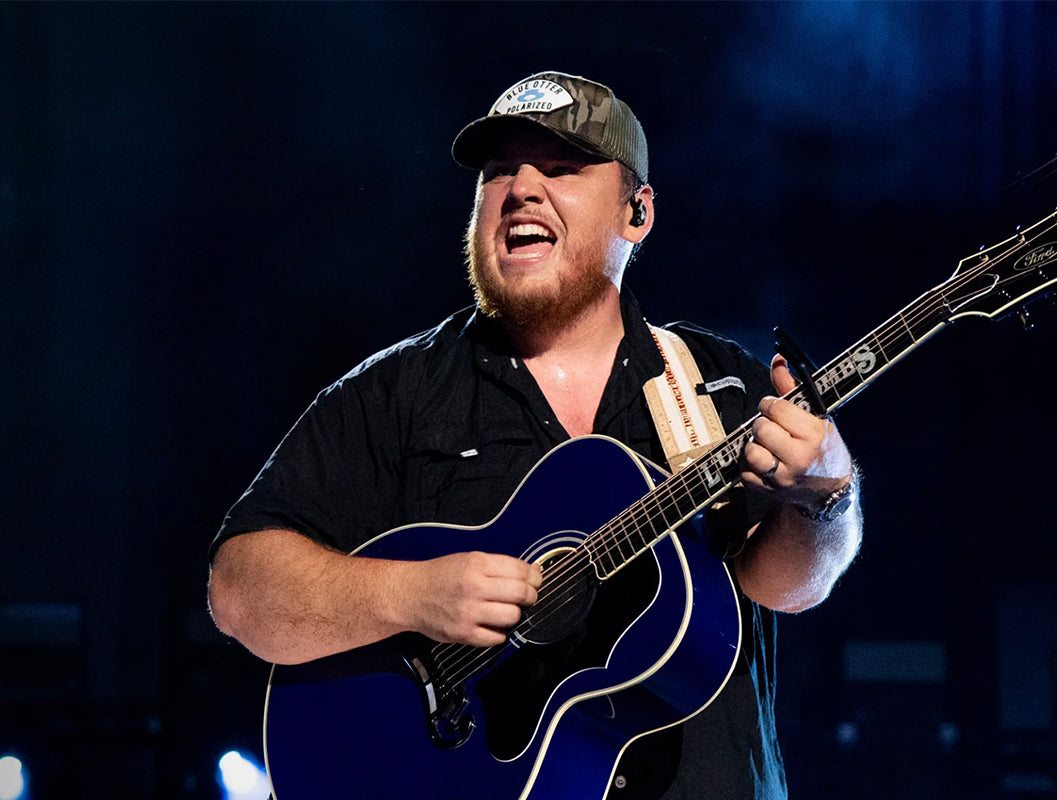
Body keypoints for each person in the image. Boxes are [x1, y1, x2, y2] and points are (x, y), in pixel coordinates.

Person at [208, 71, 862, 799]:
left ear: (637, 213)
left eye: (560, 168)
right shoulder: (394, 395)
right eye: (498, 172)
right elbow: (240, 590)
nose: (520, 188)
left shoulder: (721, 385)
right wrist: (413, 593)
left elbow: (786, 588)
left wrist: (826, 494)